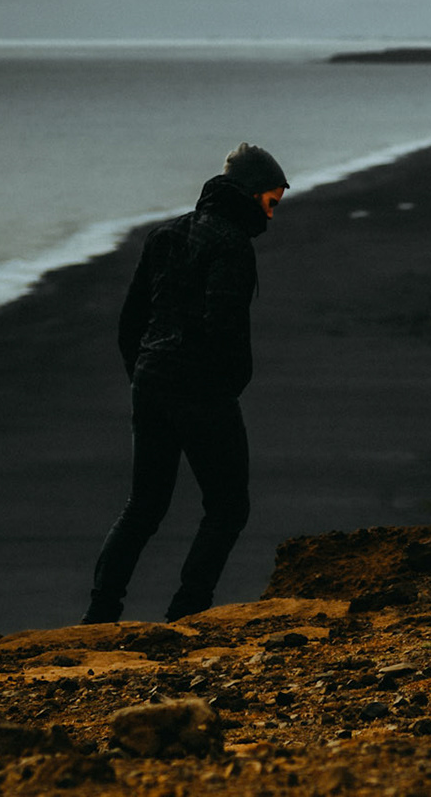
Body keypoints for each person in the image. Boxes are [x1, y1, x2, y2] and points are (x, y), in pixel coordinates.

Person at [81, 143, 289, 625]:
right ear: (251, 193)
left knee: (143, 506)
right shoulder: (233, 244)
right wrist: (228, 385)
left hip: (151, 382)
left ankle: (100, 612)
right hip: (201, 391)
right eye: (271, 203)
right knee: (228, 505)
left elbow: (130, 322)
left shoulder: (164, 235)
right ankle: (187, 611)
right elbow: (224, 328)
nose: (272, 217)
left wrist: (143, 375)